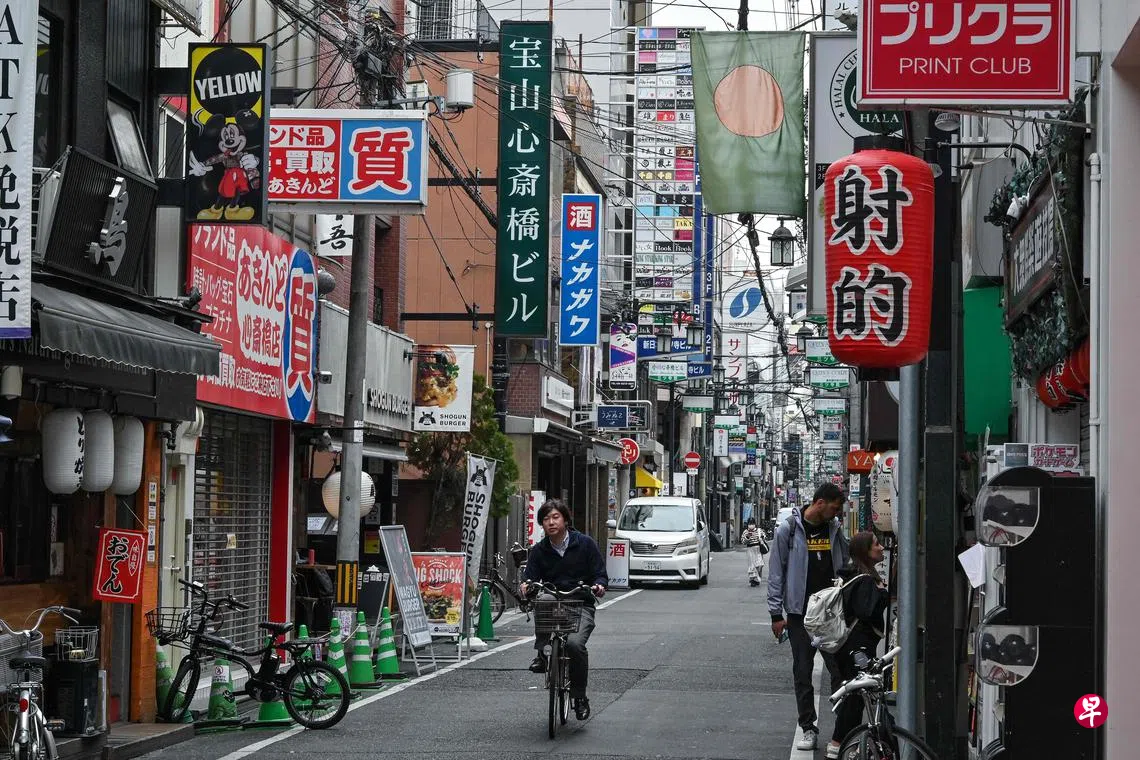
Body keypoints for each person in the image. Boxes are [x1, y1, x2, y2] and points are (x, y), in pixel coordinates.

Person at [767, 482, 850, 751]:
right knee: (802, 672)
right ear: (820, 503)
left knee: (840, 671)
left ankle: (842, 731)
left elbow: (844, 563)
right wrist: (775, 614)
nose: (836, 513)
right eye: (834, 508)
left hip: (830, 613)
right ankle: (808, 728)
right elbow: (776, 572)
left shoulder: (834, 529)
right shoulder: (789, 529)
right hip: (799, 613)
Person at [520, 499, 608, 721]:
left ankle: (580, 697)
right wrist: (526, 585)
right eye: (546, 519)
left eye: (555, 517)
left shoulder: (585, 544)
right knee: (544, 598)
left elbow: (600, 574)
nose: (551, 522)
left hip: (581, 603)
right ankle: (542, 654)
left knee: (574, 645)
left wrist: (599, 586)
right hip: (554, 602)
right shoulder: (539, 550)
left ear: (566, 520)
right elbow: (529, 577)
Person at [825, 531, 890, 759]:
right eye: (877, 544)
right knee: (856, 696)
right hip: (857, 648)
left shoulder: (853, 574)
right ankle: (838, 744)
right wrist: (882, 594)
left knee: (856, 695)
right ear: (866, 551)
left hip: (848, 646)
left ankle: (845, 744)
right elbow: (866, 611)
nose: (882, 548)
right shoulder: (865, 580)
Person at [741, 517, 766, 586]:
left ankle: (757, 578)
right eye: (750, 523)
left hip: (758, 549)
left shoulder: (759, 530)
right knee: (752, 565)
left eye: (752, 523)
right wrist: (747, 537)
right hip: (750, 549)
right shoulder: (745, 532)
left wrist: (762, 538)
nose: (751, 525)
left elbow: (764, 536)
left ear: (755, 524)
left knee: (760, 564)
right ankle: (753, 580)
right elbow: (743, 541)